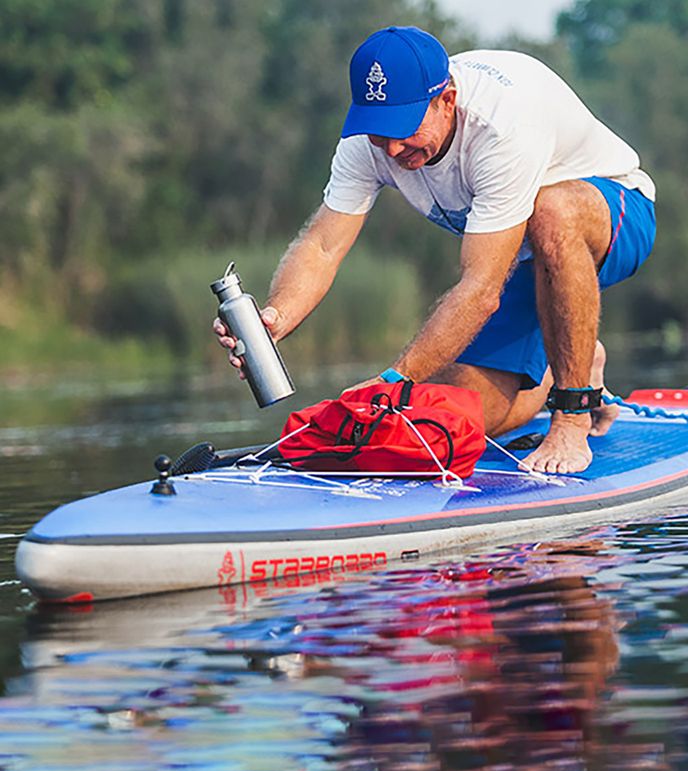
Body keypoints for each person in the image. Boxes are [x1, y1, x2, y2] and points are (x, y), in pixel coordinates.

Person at [214, 26, 656, 474]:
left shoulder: (502, 124)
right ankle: (576, 353)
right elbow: (323, 244)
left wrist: (396, 380)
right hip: (521, 260)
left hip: (615, 214)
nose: (392, 148)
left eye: (404, 129)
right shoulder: (366, 142)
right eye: (379, 133)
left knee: (551, 210)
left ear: (447, 99)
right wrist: (275, 319)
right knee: (466, 417)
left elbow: (482, 289)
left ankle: (573, 413)